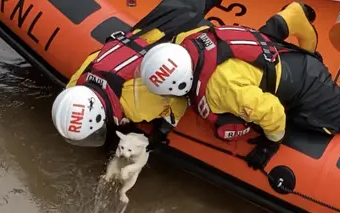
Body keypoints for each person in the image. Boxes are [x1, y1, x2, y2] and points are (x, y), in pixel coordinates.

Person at [137, 1, 340, 170]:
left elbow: (272, 113)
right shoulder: (189, 42)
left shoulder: (220, 92)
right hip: (276, 55)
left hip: (304, 83)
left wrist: (272, 143)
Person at [51, 0, 221, 151]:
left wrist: (160, 131)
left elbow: (176, 100)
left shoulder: (135, 106)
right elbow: (96, 57)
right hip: (156, 22)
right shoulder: (78, 82)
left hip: (185, 35)